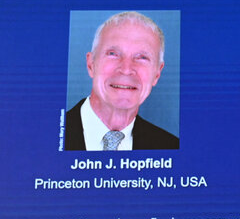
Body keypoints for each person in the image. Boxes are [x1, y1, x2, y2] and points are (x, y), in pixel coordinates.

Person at [64, 11, 179, 150]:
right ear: (91, 64)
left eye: (142, 57)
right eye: (113, 54)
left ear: (157, 74)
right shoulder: (45, 136)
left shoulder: (170, 147)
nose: (126, 69)